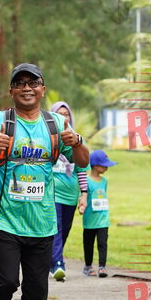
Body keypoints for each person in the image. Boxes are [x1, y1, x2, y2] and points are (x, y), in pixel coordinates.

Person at [0, 63, 89, 300]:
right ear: (11, 90)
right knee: (7, 282)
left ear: (42, 89)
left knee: (37, 291)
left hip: (42, 222)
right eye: (20, 83)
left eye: (33, 82)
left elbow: (82, 161)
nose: (27, 88)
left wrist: (77, 142)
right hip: (4, 218)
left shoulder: (56, 124)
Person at [49, 101, 88, 281]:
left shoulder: (76, 140)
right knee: (56, 229)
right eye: (59, 114)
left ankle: (51, 261)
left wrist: (84, 194)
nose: (64, 117)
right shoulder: (48, 139)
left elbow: (82, 169)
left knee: (64, 230)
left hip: (70, 196)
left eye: (66, 114)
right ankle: (58, 264)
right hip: (52, 194)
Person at [81, 150, 117, 277]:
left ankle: (102, 267)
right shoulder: (86, 181)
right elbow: (83, 196)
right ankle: (88, 266)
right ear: (95, 166)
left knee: (102, 243)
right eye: (104, 165)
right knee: (88, 244)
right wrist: (81, 206)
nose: (107, 167)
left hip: (103, 219)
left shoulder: (104, 181)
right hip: (90, 219)